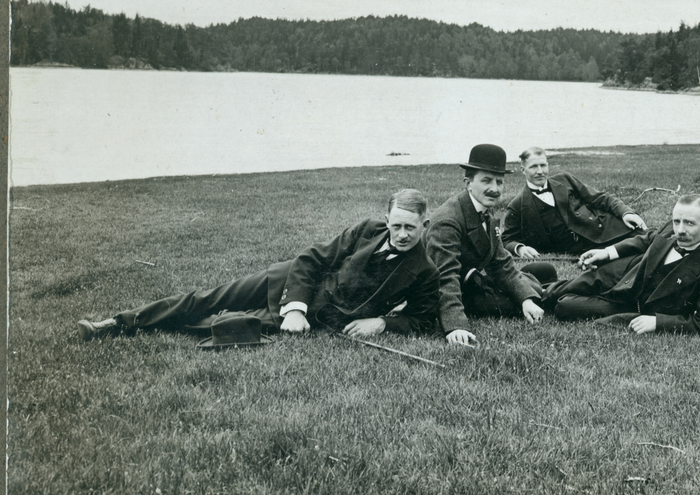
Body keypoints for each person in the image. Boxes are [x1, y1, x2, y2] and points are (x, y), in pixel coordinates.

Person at [76, 189, 441, 341]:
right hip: (286, 284)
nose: (402, 235)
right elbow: (310, 259)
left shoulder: (425, 271)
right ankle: (118, 322)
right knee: (209, 298)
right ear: (386, 219)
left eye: (411, 228)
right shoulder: (367, 229)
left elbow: (423, 319)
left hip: (320, 316)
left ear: (425, 225)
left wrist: (382, 323)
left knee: (225, 326)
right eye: (396, 226)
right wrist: (294, 307)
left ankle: (156, 326)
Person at [426, 144, 557, 347]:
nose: (494, 189)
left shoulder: (483, 207)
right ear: (468, 183)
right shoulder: (448, 220)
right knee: (515, 302)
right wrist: (456, 326)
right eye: (486, 181)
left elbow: (501, 263)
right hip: (451, 292)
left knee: (542, 273)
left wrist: (526, 299)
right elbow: (445, 277)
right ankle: (551, 293)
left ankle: (542, 291)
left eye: (499, 182)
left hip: (474, 281)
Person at [545, 194, 700, 334]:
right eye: (677, 221)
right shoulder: (671, 229)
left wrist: (658, 322)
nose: (680, 230)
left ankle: (539, 288)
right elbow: (648, 239)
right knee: (559, 291)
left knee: (565, 307)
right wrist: (607, 252)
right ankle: (534, 292)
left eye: (689, 223)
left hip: (631, 306)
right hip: (626, 276)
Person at [503, 146, 647, 258]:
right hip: (579, 250)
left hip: (604, 229)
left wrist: (626, 213)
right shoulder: (517, 205)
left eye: (543, 165)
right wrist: (520, 248)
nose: (540, 171)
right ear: (523, 170)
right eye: (534, 167)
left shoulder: (565, 179)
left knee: (649, 238)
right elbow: (507, 239)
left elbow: (600, 198)